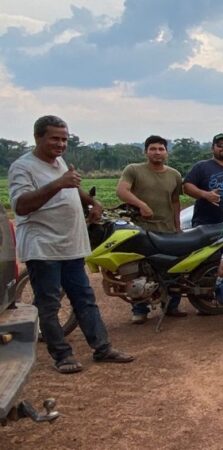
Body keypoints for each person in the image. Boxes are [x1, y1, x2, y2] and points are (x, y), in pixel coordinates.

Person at [9, 115, 134, 374]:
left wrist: (92, 202)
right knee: (49, 303)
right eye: (55, 138)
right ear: (38, 138)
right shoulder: (23, 167)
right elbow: (21, 206)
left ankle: (103, 348)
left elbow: (72, 186)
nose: (61, 144)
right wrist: (59, 183)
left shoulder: (59, 162)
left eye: (64, 139)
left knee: (85, 299)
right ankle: (62, 355)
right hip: (43, 247)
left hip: (70, 245)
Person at [116, 135, 186, 324]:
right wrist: (142, 205)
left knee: (172, 268)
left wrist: (178, 226)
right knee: (140, 270)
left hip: (167, 229)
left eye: (161, 149)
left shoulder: (174, 174)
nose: (157, 152)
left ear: (166, 152)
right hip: (141, 230)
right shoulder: (133, 170)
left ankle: (171, 306)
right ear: (146, 151)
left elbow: (175, 202)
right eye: (153, 149)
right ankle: (140, 309)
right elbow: (122, 191)